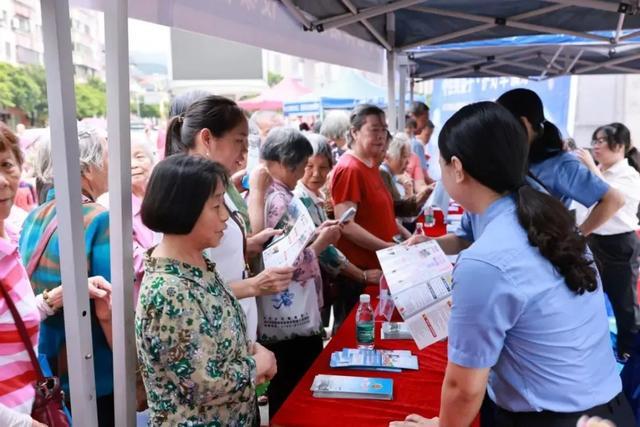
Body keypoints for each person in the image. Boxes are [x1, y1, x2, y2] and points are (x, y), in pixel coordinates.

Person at [391, 102, 633, 427]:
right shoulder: (548, 216)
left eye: (442, 163)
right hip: (606, 410)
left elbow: (463, 388)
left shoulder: (486, 260)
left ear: (458, 168)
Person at [136, 154, 277, 426]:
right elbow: (204, 384)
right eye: (216, 206)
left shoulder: (199, 265)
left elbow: (215, 339)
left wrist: (250, 349)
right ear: (183, 210)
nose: (226, 216)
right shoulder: (169, 292)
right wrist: (259, 364)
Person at [164, 95, 294, 343]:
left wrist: (250, 244)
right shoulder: (186, 193)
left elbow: (219, 254)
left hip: (234, 327)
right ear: (206, 139)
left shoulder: (218, 184)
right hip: (213, 338)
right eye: (239, 142)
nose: (245, 154)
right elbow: (191, 288)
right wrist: (255, 285)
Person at [19, 126, 117, 426]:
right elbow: (110, 304)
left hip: (49, 364)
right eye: (107, 155)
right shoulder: (99, 218)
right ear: (86, 167)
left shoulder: (35, 216)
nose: (112, 164)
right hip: (93, 370)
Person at [257, 127, 342, 416]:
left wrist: (314, 235)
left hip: (283, 315)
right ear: (286, 163)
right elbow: (285, 262)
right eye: (303, 166)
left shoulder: (270, 193)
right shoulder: (279, 198)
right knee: (296, 386)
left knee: (286, 385)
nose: (303, 175)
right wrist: (320, 244)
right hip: (290, 318)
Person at [497, 88, 623, 235]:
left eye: (501, 125)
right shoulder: (514, 157)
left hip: (541, 250)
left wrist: (578, 236)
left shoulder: (559, 164)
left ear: (523, 123)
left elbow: (614, 200)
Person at [294, 133, 382, 331]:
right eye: (309, 167)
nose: (316, 174)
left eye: (323, 167)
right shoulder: (301, 199)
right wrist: (362, 275)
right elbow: (324, 251)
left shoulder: (317, 195)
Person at [575, 123, 640, 361]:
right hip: (592, 240)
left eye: (601, 141)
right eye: (595, 141)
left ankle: (628, 352)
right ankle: (593, 348)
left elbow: (613, 199)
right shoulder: (596, 169)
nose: (596, 146)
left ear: (620, 146)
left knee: (623, 303)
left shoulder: (629, 176)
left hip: (619, 243)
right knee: (585, 296)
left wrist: (591, 166)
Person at [331, 104, 397, 271]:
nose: (381, 136)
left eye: (384, 130)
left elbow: (380, 212)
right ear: (355, 132)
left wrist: (405, 236)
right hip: (363, 269)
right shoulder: (350, 169)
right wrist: (386, 247)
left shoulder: (370, 163)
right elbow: (346, 225)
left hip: (383, 262)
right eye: (374, 130)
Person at [380, 132, 433, 219]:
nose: (408, 162)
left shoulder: (392, 175)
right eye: (404, 156)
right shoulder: (384, 174)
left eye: (408, 157)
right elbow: (398, 211)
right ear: (390, 155)